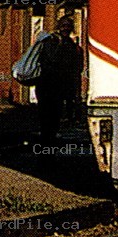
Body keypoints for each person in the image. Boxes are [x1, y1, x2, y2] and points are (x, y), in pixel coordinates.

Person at [34, 15, 84, 143]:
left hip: (53, 84)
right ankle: (48, 135)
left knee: (51, 111)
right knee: (50, 111)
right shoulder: (58, 43)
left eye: (68, 26)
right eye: (64, 26)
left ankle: (48, 135)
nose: (66, 29)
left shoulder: (69, 45)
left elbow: (76, 69)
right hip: (50, 83)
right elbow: (55, 62)